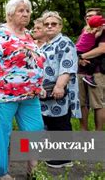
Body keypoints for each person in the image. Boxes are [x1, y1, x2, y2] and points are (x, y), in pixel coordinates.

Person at [0, 0, 45, 179]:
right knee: (1, 133)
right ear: (10, 14)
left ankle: (32, 171)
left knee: (34, 131)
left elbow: (33, 62)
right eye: (21, 10)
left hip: (30, 95)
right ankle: (1, 172)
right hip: (4, 95)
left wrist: (38, 84)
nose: (25, 14)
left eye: (27, 11)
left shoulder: (27, 34)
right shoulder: (1, 33)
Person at [39, 11, 80, 168]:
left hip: (58, 90)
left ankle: (64, 158)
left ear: (60, 26)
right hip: (46, 92)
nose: (50, 26)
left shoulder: (65, 42)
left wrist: (59, 86)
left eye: (54, 24)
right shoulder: (47, 43)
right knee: (50, 121)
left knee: (60, 122)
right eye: (46, 24)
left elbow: (67, 67)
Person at [78, 8, 105, 131]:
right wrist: (79, 59)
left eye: (92, 16)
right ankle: (84, 131)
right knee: (81, 103)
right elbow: (79, 48)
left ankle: (98, 132)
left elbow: (102, 49)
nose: (89, 18)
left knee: (98, 104)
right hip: (80, 71)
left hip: (96, 71)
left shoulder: (103, 30)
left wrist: (82, 56)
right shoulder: (84, 30)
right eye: (87, 16)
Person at [76, 13, 104, 87]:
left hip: (80, 49)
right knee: (95, 61)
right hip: (81, 51)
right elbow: (99, 33)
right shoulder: (92, 31)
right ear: (98, 27)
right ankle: (88, 76)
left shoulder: (88, 29)